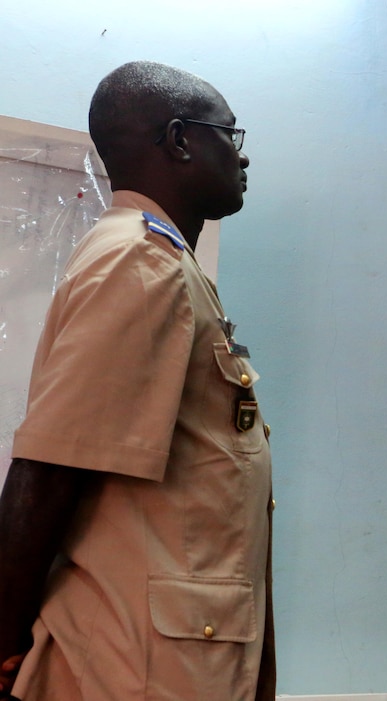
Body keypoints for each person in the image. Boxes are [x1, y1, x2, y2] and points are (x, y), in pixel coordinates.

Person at [0, 61, 275, 700]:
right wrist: (5, 645)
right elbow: (48, 470)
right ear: (180, 141)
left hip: (167, 653)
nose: (243, 159)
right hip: (137, 667)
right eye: (229, 137)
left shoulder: (165, 261)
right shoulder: (140, 262)